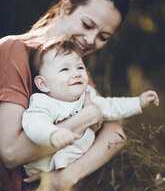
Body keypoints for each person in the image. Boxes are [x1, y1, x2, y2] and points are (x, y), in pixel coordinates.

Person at [0, 0, 150, 191]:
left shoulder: (76, 72)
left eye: (103, 36)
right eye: (87, 24)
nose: (91, 40)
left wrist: (69, 175)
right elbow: (11, 154)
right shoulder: (13, 50)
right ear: (66, 7)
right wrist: (88, 116)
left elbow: (117, 134)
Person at [22, 39, 159, 177]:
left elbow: (111, 106)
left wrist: (138, 102)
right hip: (43, 171)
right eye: (65, 69)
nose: (76, 73)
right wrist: (52, 134)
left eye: (80, 67)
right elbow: (34, 124)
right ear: (43, 84)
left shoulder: (87, 96)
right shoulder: (43, 102)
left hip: (74, 167)